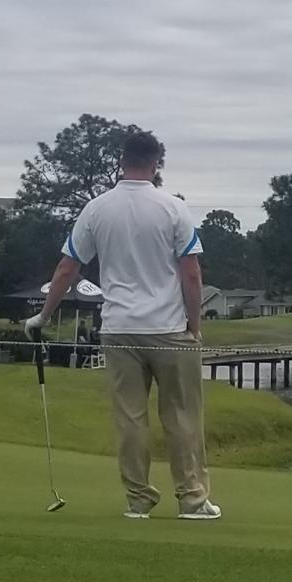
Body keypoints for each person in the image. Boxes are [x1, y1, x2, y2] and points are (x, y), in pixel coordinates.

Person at [41, 129, 220, 521]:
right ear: (157, 164)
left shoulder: (96, 209)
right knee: (182, 416)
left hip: (119, 327)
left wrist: (42, 317)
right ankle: (191, 499)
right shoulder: (174, 208)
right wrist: (195, 324)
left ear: (120, 161)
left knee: (130, 418)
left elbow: (67, 268)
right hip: (170, 330)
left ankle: (138, 500)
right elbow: (191, 274)